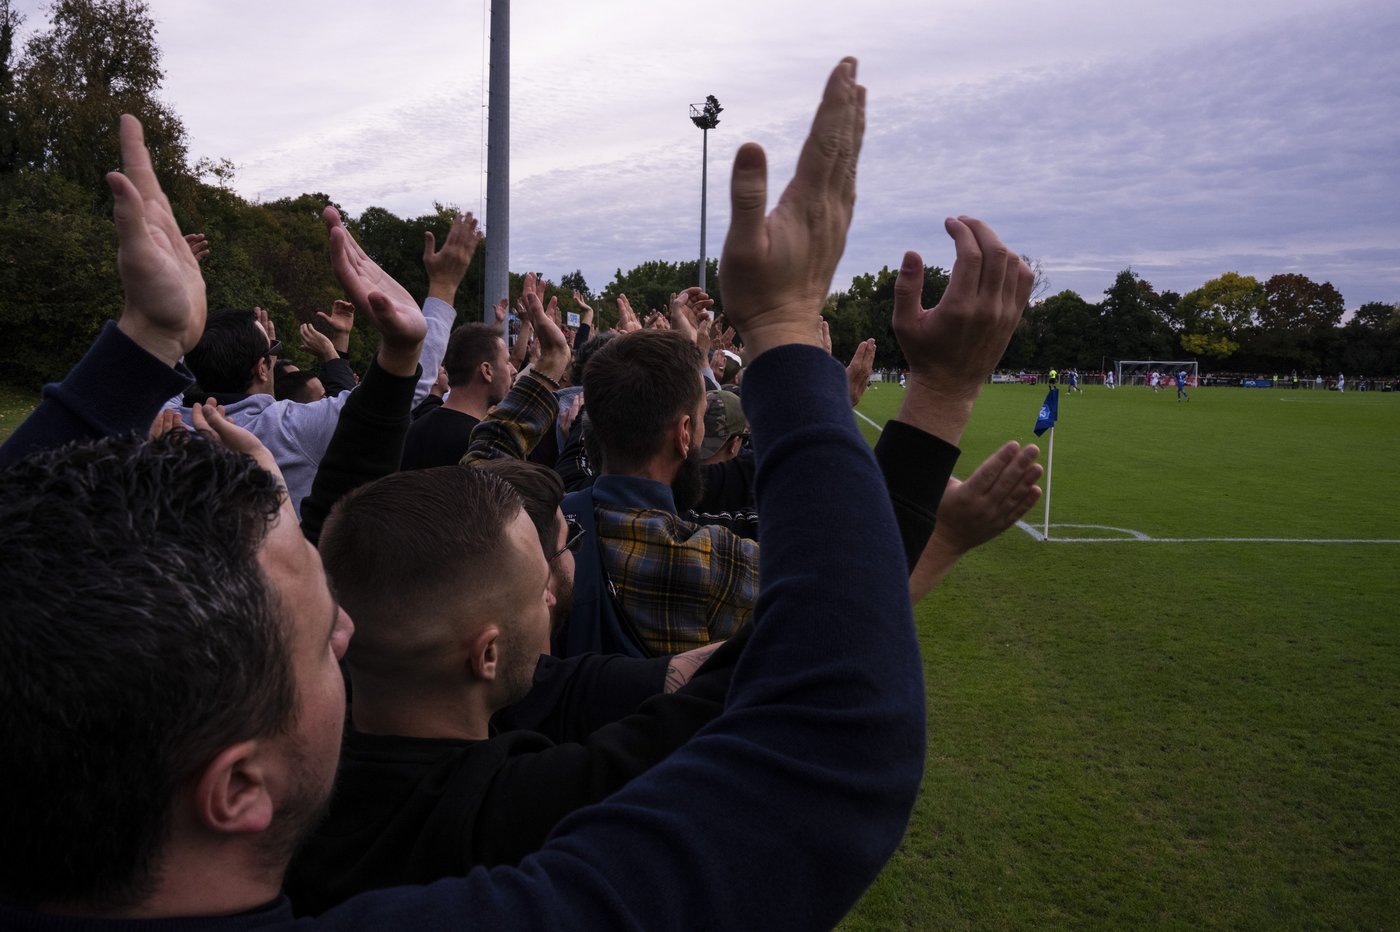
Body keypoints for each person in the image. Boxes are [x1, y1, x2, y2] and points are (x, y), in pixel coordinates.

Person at [400, 321, 516, 469]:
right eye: (507, 361)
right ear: (487, 371)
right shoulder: (482, 447)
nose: (513, 370)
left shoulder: (413, 431)